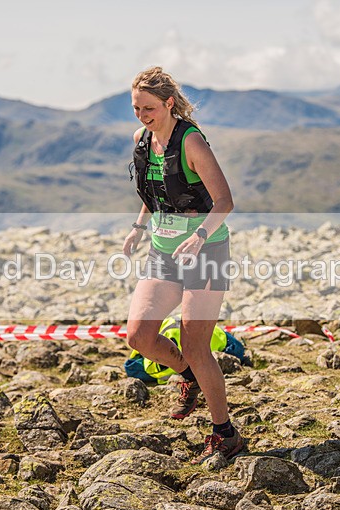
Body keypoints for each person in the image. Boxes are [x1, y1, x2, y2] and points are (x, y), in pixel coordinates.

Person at [123, 66, 243, 464]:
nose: (142, 115)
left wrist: (200, 236)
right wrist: (139, 227)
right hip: (163, 253)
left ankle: (224, 432)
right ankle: (189, 377)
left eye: (149, 108)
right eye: (137, 108)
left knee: (196, 344)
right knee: (138, 336)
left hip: (206, 252)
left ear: (169, 103)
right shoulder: (142, 140)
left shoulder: (191, 142)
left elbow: (224, 201)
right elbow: (156, 189)